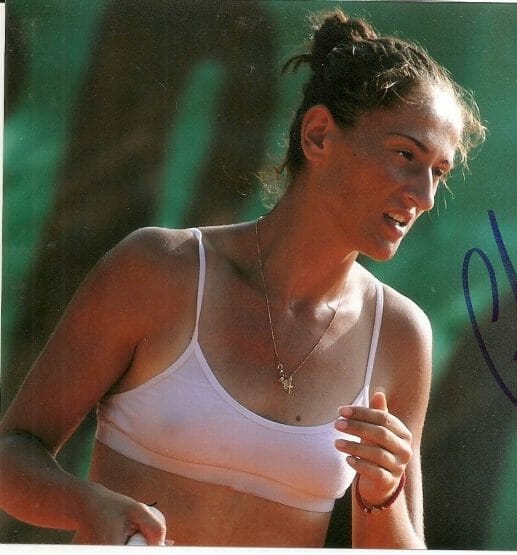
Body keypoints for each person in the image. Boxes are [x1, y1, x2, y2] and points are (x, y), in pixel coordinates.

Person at [0, 9, 484, 547]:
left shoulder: (400, 334)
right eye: (405, 155)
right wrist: (86, 504)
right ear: (319, 135)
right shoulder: (157, 269)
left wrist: (380, 495)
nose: (425, 195)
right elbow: (12, 454)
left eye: (438, 172)